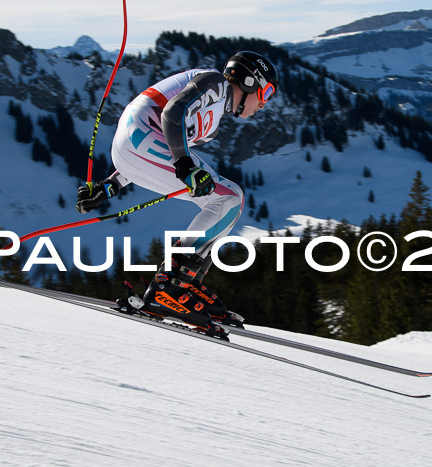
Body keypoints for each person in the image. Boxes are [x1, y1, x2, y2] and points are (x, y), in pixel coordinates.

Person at [76, 51, 279, 338]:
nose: (264, 103)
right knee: (228, 198)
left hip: (134, 144)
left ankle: (183, 285)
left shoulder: (212, 122)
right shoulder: (215, 84)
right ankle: (168, 288)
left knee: (227, 200)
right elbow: (172, 112)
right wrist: (185, 164)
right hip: (139, 134)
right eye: (266, 92)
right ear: (249, 81)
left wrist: (110, 185)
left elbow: (158, 151)